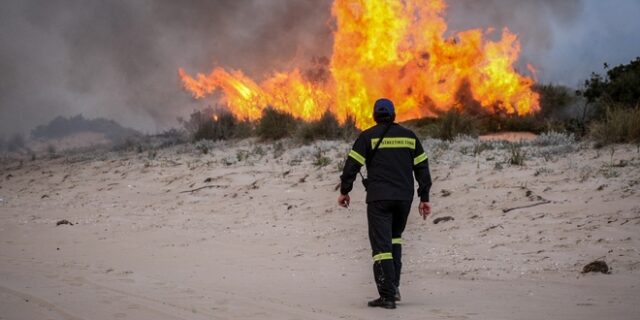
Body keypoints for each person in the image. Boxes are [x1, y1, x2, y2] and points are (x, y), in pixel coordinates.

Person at [338, 98, 432, 309]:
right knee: (395, 239)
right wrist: (424, 197)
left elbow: (352, 165)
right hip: (404, 199)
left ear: (374, 116)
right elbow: (422, 168)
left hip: (379, 199)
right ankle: (395, 287)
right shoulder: (410, 137)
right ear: (394, 114)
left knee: (381, 248)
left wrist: (345, 191)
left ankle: (387, 296)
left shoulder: (367, 136)